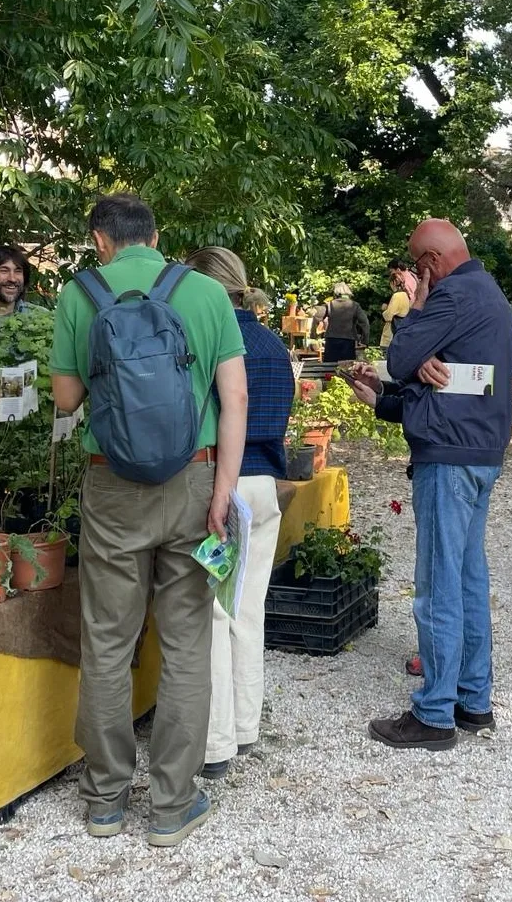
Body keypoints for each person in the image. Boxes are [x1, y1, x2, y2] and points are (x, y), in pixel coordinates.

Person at [50, 194, 247, 848]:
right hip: (192, 478)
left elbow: (66, 397)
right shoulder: (205, 293)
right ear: (156, 238)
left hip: (111, 483)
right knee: (186, 641)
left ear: (100, 241)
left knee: (108, 639)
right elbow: (235, 394)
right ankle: (170, 804)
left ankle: (104, 800)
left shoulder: (79, 294)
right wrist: (222, 489)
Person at [347, 220, 512, 751]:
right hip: (478, 450)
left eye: (420, 270)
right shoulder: (490, 296)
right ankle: (473, 698)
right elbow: (462, 383)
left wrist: (417, 306)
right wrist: (391, 396)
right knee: (467, 577)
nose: (419, 280)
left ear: (431, 263)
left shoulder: (451, 295)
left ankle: (435, 712)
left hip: (447, 459)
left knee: (439, 583)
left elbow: (398, 358)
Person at [184, 248, 292, 782]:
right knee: (249, 610)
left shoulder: (212, 341)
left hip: (223, 486)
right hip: (266, 485)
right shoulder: (273, 344)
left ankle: (215, 740)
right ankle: (244, 725)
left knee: (213, 615)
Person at [321, 283, 369, 364]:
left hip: (331, 340)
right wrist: (365, 341)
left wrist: (313, 335)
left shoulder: (329, 305)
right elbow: (365, 323)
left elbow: (316, 317)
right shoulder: (355, 305)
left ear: (335, 292)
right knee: (347, 368)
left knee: (329, 368)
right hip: (348, 341)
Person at [381, 264, 412, 347]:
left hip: (391, 335)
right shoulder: (406, 295)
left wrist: (384, 310)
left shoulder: (397, 296)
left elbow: (389, 315)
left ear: (393, 283)